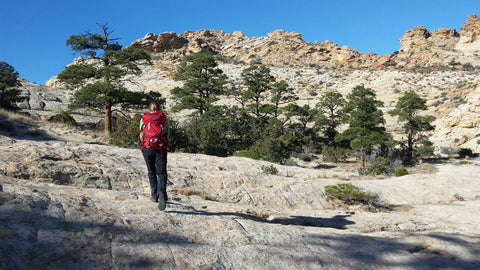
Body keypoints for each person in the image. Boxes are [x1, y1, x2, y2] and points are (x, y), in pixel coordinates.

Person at [139, 101, 170, 210]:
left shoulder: (144, 118)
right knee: (161, 172)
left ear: (149, 110)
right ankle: (162, 193)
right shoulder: (163, 118)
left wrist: (144, 146)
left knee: (151, 171)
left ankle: (154, 194)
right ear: (159, 109)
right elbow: (167, 133)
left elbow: (141, 133)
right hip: (160, 148)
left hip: (147, 148)